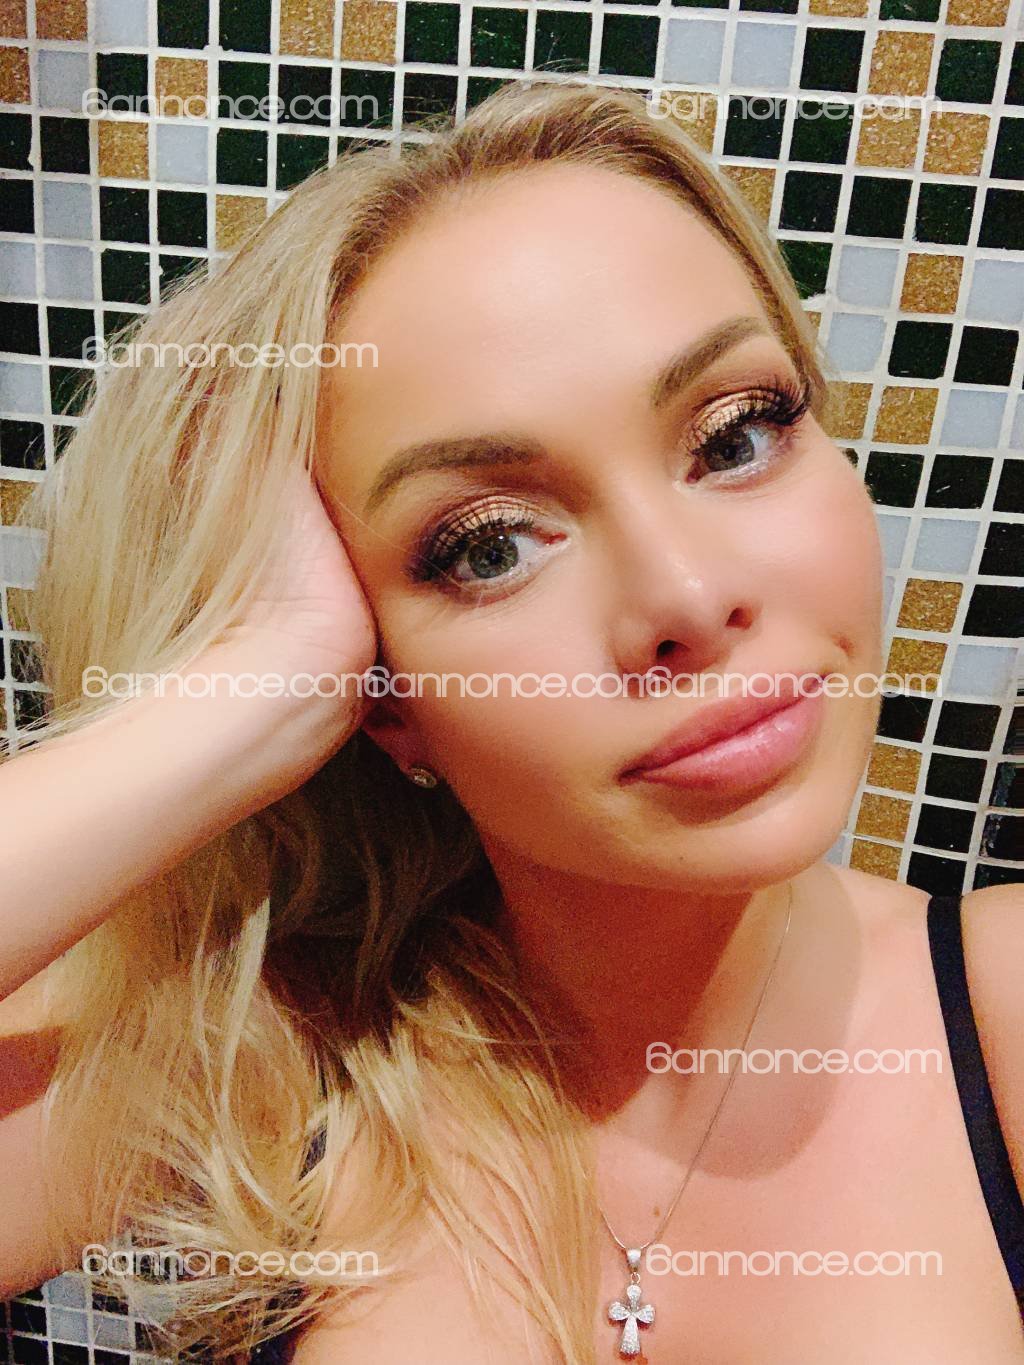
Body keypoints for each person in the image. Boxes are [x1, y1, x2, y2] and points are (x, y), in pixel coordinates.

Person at [0, 80, 1021, 1365]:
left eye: (735, 436)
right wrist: (247, 699)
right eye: (487, 547)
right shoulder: (268, 1060)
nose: (686, 597)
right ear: (383, 698)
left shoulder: (1001, 1006)